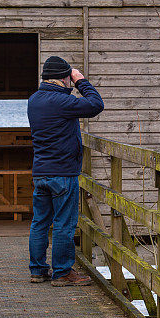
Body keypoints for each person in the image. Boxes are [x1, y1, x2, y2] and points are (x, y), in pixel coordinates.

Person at [27, 56, 104, 286]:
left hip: (40, 171)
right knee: (64, 223)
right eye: (69, 78)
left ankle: (38, 270)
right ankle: (62, 273)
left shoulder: (34, 100)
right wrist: (81, 81)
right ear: (64, 78)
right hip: (63, 173)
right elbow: (96, 104)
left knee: (39, 222)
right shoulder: (61, 102)